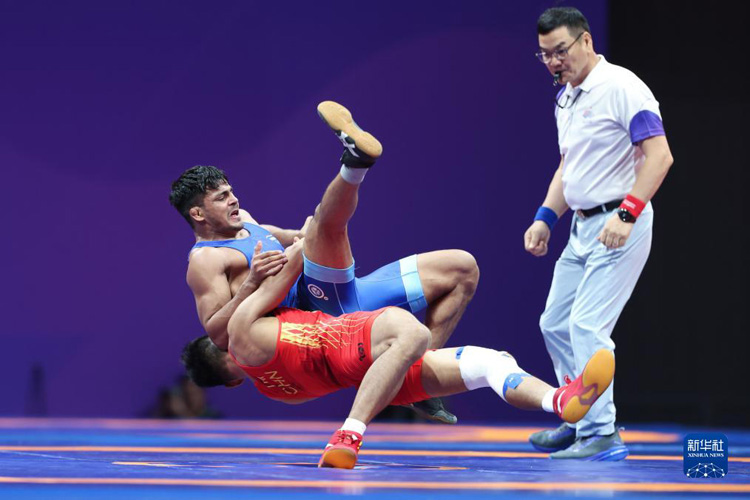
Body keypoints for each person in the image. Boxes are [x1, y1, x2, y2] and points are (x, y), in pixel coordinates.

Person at [181, 237, 615, 469]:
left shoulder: (275, 392)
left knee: (487, 362)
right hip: (353, 338)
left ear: (231, 382)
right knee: (414, 333)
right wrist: (284, 249)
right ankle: (348, 435)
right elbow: (292, 264)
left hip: (373, 377)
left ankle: (559, 400)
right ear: (220, 344)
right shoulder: (240, 330)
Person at [169, 101, 480, 424]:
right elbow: (219, 334)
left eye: (230, 191)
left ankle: (415, 378)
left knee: (462, 269)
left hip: (345, 295)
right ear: (198, 214)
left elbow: (291, 237)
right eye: (221, 198)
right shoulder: (206, 259)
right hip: (312, 311)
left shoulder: (245, 220)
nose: (233, 199)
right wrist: (251, 283)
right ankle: (355, 164)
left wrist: (300, 234)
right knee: (325, 225)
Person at [523, 7, 673, 460]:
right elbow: (570, 167)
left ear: (586, 41)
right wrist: (545, 217)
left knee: (587, 326)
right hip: (582, 227)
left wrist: (627, 214)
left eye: (560, 51)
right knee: (554, 323)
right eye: (545, 55)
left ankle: (601, 433)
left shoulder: (622, 87)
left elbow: (660, 156)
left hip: (620, 223)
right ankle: (578, 419)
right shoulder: (566, 99)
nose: (553, 62)